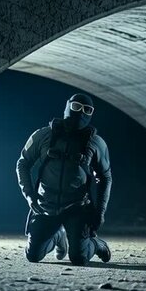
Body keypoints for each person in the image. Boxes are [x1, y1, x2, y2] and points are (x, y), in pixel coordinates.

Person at [15, 93, 112, 266]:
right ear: (67, 106)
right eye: (76, 107)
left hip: (77, 207)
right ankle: (57, 235)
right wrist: (29, 195)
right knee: (33, 256)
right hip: (46, 205)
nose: (81, 113)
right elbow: (23, 163)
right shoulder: (43, 135)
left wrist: (99, 212)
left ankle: (96, 244)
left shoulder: (96, 143)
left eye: (87, 110)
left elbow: (105, 177)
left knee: (79, 258)